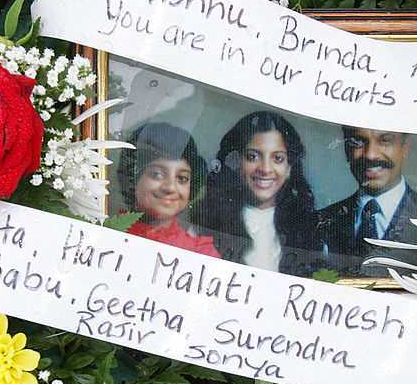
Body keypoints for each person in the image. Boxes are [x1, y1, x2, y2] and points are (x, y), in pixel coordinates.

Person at [201, 111, 324, 276]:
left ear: (289, 168)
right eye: (253, 157)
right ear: (237, 161)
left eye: (278, 158)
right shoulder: (205, 221)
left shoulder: (309, 228)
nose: (265, 169)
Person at [318, 127, 417, 277]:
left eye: (385, 140)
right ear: (346, 149)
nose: (371, 155)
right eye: (358, 141)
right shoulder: (321, 221)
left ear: (405, 147)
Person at [117, 122, 219, 258]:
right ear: (133, 178)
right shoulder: (110, 233)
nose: (170, 187)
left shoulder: (200, 253)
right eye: (156, 174)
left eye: (182, 178)